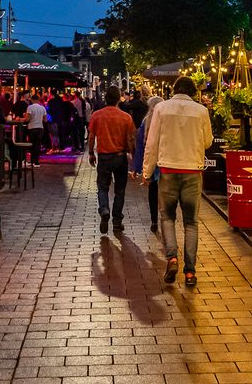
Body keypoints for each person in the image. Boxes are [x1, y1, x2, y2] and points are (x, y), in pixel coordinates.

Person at [142, 77, 213, 286]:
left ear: (174, 90)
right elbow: (208, 142)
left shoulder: (161, 109)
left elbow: (152, 143)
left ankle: (172, 258)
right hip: (192, 171)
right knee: (191, 222)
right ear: (193, 92)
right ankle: (190, 272)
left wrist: (147, 172)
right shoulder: (201, 111)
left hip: (168, 171)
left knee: (167, 218)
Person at [88, 86, 136, 234]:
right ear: (118, 99)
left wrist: (91, 153)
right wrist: (133, 155)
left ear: (106, 98)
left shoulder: (96, 115)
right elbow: (130, 139)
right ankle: (117, 221)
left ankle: (104, 209)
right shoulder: (126, 117)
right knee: (119, 191)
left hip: (103, 157)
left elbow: (91, 136)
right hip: (120, 157)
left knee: (102, 187)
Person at [132, 96, 164, 232]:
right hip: (165, 161)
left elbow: (140, 146)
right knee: (166, 192)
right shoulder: (167, 120)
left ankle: (154, 220)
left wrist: (137, 167)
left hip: (152, 162)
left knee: (153, 191)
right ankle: (166, 218)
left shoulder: (146, 122)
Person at [19, 92, 47, 168]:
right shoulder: (43, 108)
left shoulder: (30, 107)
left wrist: (22, 118)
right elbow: (45, 120)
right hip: (40, 128)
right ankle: (36, 162)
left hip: (32, 127)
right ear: (38, 99)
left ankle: (32, 161)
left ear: (32, 100)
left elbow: (27, 119)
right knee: (38, 145)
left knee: (32, 145)